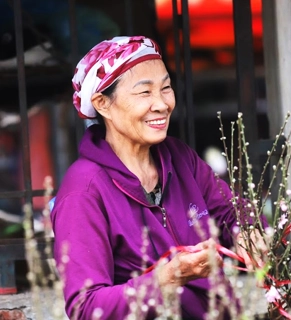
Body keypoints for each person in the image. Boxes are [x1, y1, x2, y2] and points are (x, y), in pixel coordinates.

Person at [51, 36, 267, 320]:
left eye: (166, 88)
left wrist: (249, 230)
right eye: (145, 93)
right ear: (103, 104)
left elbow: (231, 211)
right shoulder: (84, 192)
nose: (162, 104)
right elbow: (87, 307)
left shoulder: (179, 158)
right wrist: (167, 279)